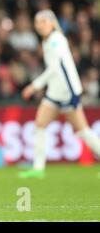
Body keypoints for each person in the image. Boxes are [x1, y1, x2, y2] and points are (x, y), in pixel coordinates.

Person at [19, 10, 100, 179]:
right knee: (39, 125)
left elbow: (55, 68)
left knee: (83, 131)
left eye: (43, 22)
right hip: (54, 93)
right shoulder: (47, 41)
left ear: (52, 23)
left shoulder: (57, 40)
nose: (39, 25)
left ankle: (38, 168)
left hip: (68, 93)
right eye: (37, 22)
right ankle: (38, 168)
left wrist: (34, 86)